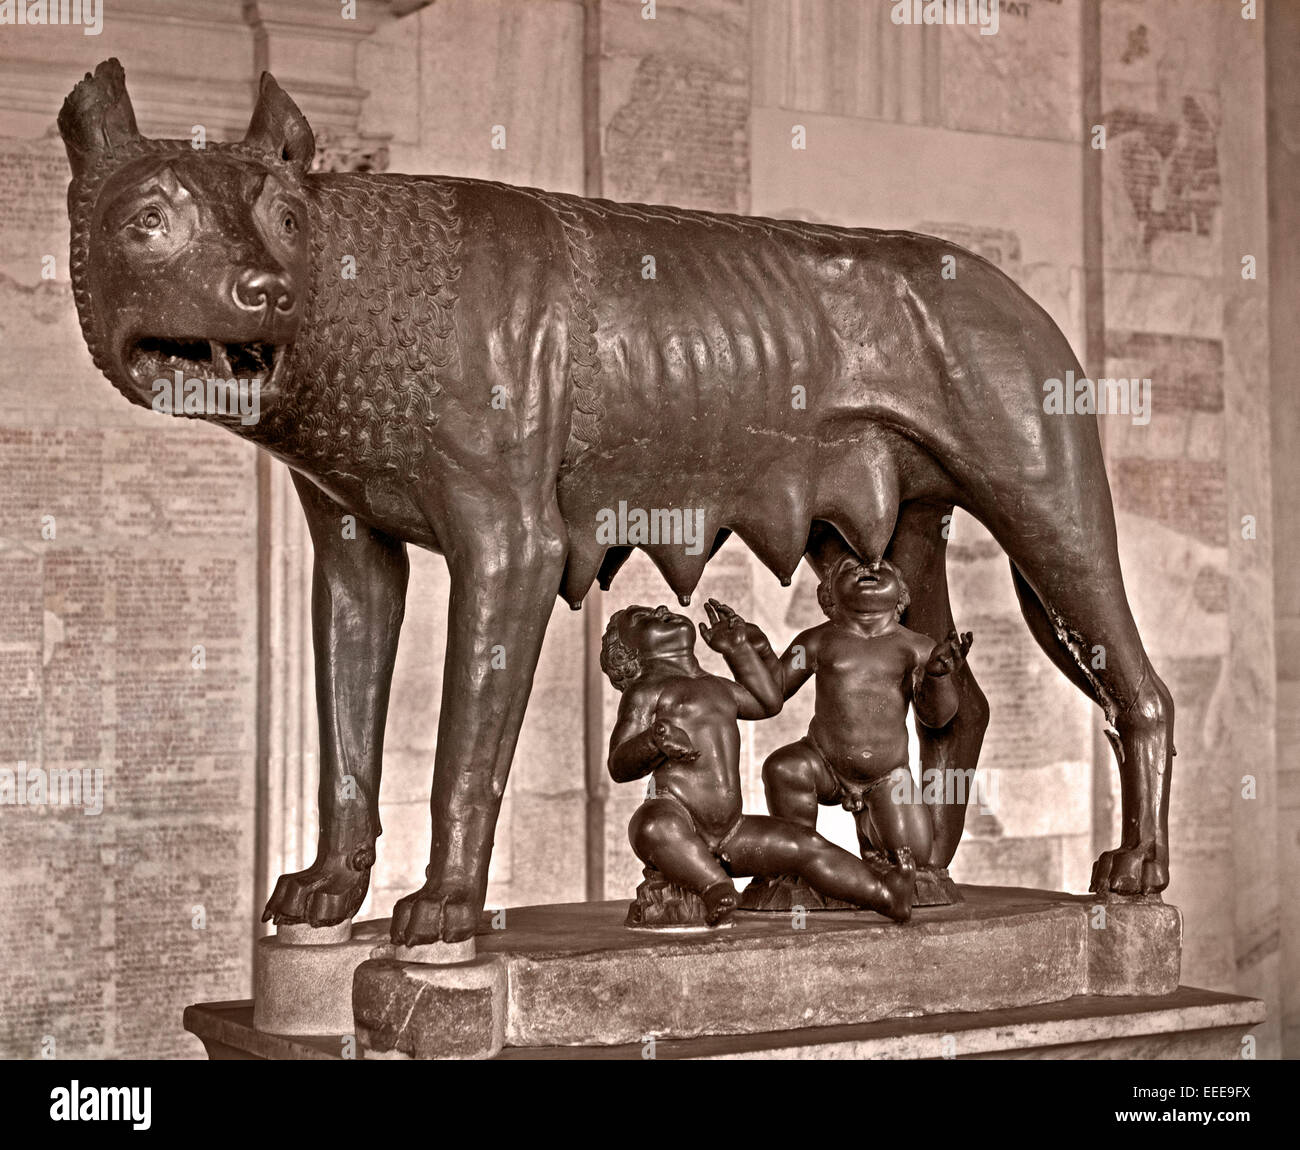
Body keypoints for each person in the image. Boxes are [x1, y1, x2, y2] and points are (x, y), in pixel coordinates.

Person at [602, 600, 916, 926]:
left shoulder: (717, 686)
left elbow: (767, 701)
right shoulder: (645, 692)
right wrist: (653, 740)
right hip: (677, 812)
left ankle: (887, 895)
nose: (662, 608)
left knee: (804, 844)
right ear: (631, 653)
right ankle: (714, 887)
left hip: (732, 831)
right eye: (643, 619)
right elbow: (618, 765)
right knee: (651, 826)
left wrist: (738, 649)